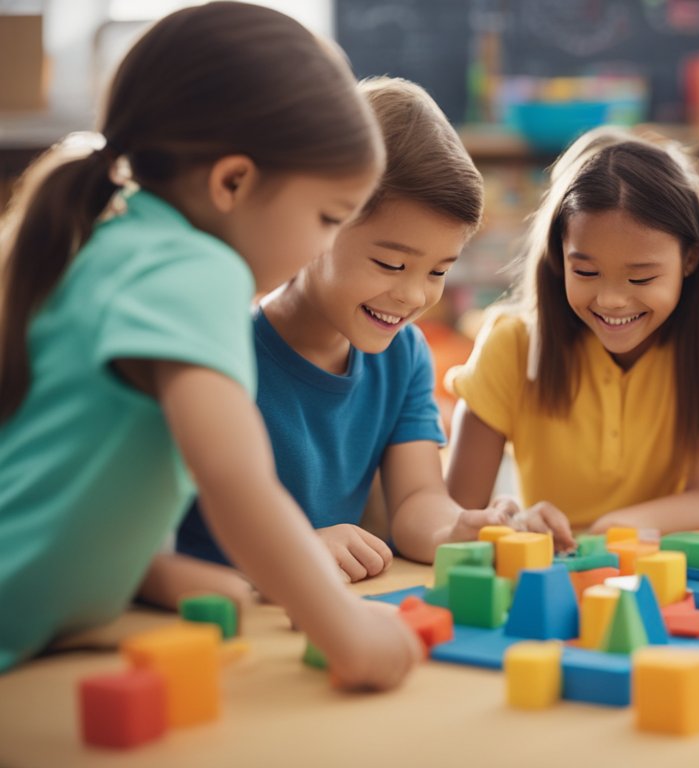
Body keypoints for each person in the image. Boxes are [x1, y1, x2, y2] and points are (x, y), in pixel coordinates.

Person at [0, 4, 420, 686]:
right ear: (233, 182)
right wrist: (347, 631)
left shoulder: (122, 243)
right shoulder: (195, 270)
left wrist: (148, 571)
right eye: (327, 218)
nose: (324, 246)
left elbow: (59, 463)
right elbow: (235, 479)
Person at [136, 77, 514, 608]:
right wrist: (295, 553)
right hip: (223, 618)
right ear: (320, 224)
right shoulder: (221, 347)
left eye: (439, 271)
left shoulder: (404, 355)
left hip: (325, 613)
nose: (411, 295)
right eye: (390, 263)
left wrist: (459, 530)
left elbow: (417, 500)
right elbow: (156, 546)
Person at [445, 129, 699, 538]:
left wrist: (611, 530)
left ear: (690, 258)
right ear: (558, 256)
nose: (611, 300)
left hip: (662, 577)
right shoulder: (510, 345)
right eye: (585, 272)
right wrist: (509, 521)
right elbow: (455, 518)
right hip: (553, 577)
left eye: (641, 278)